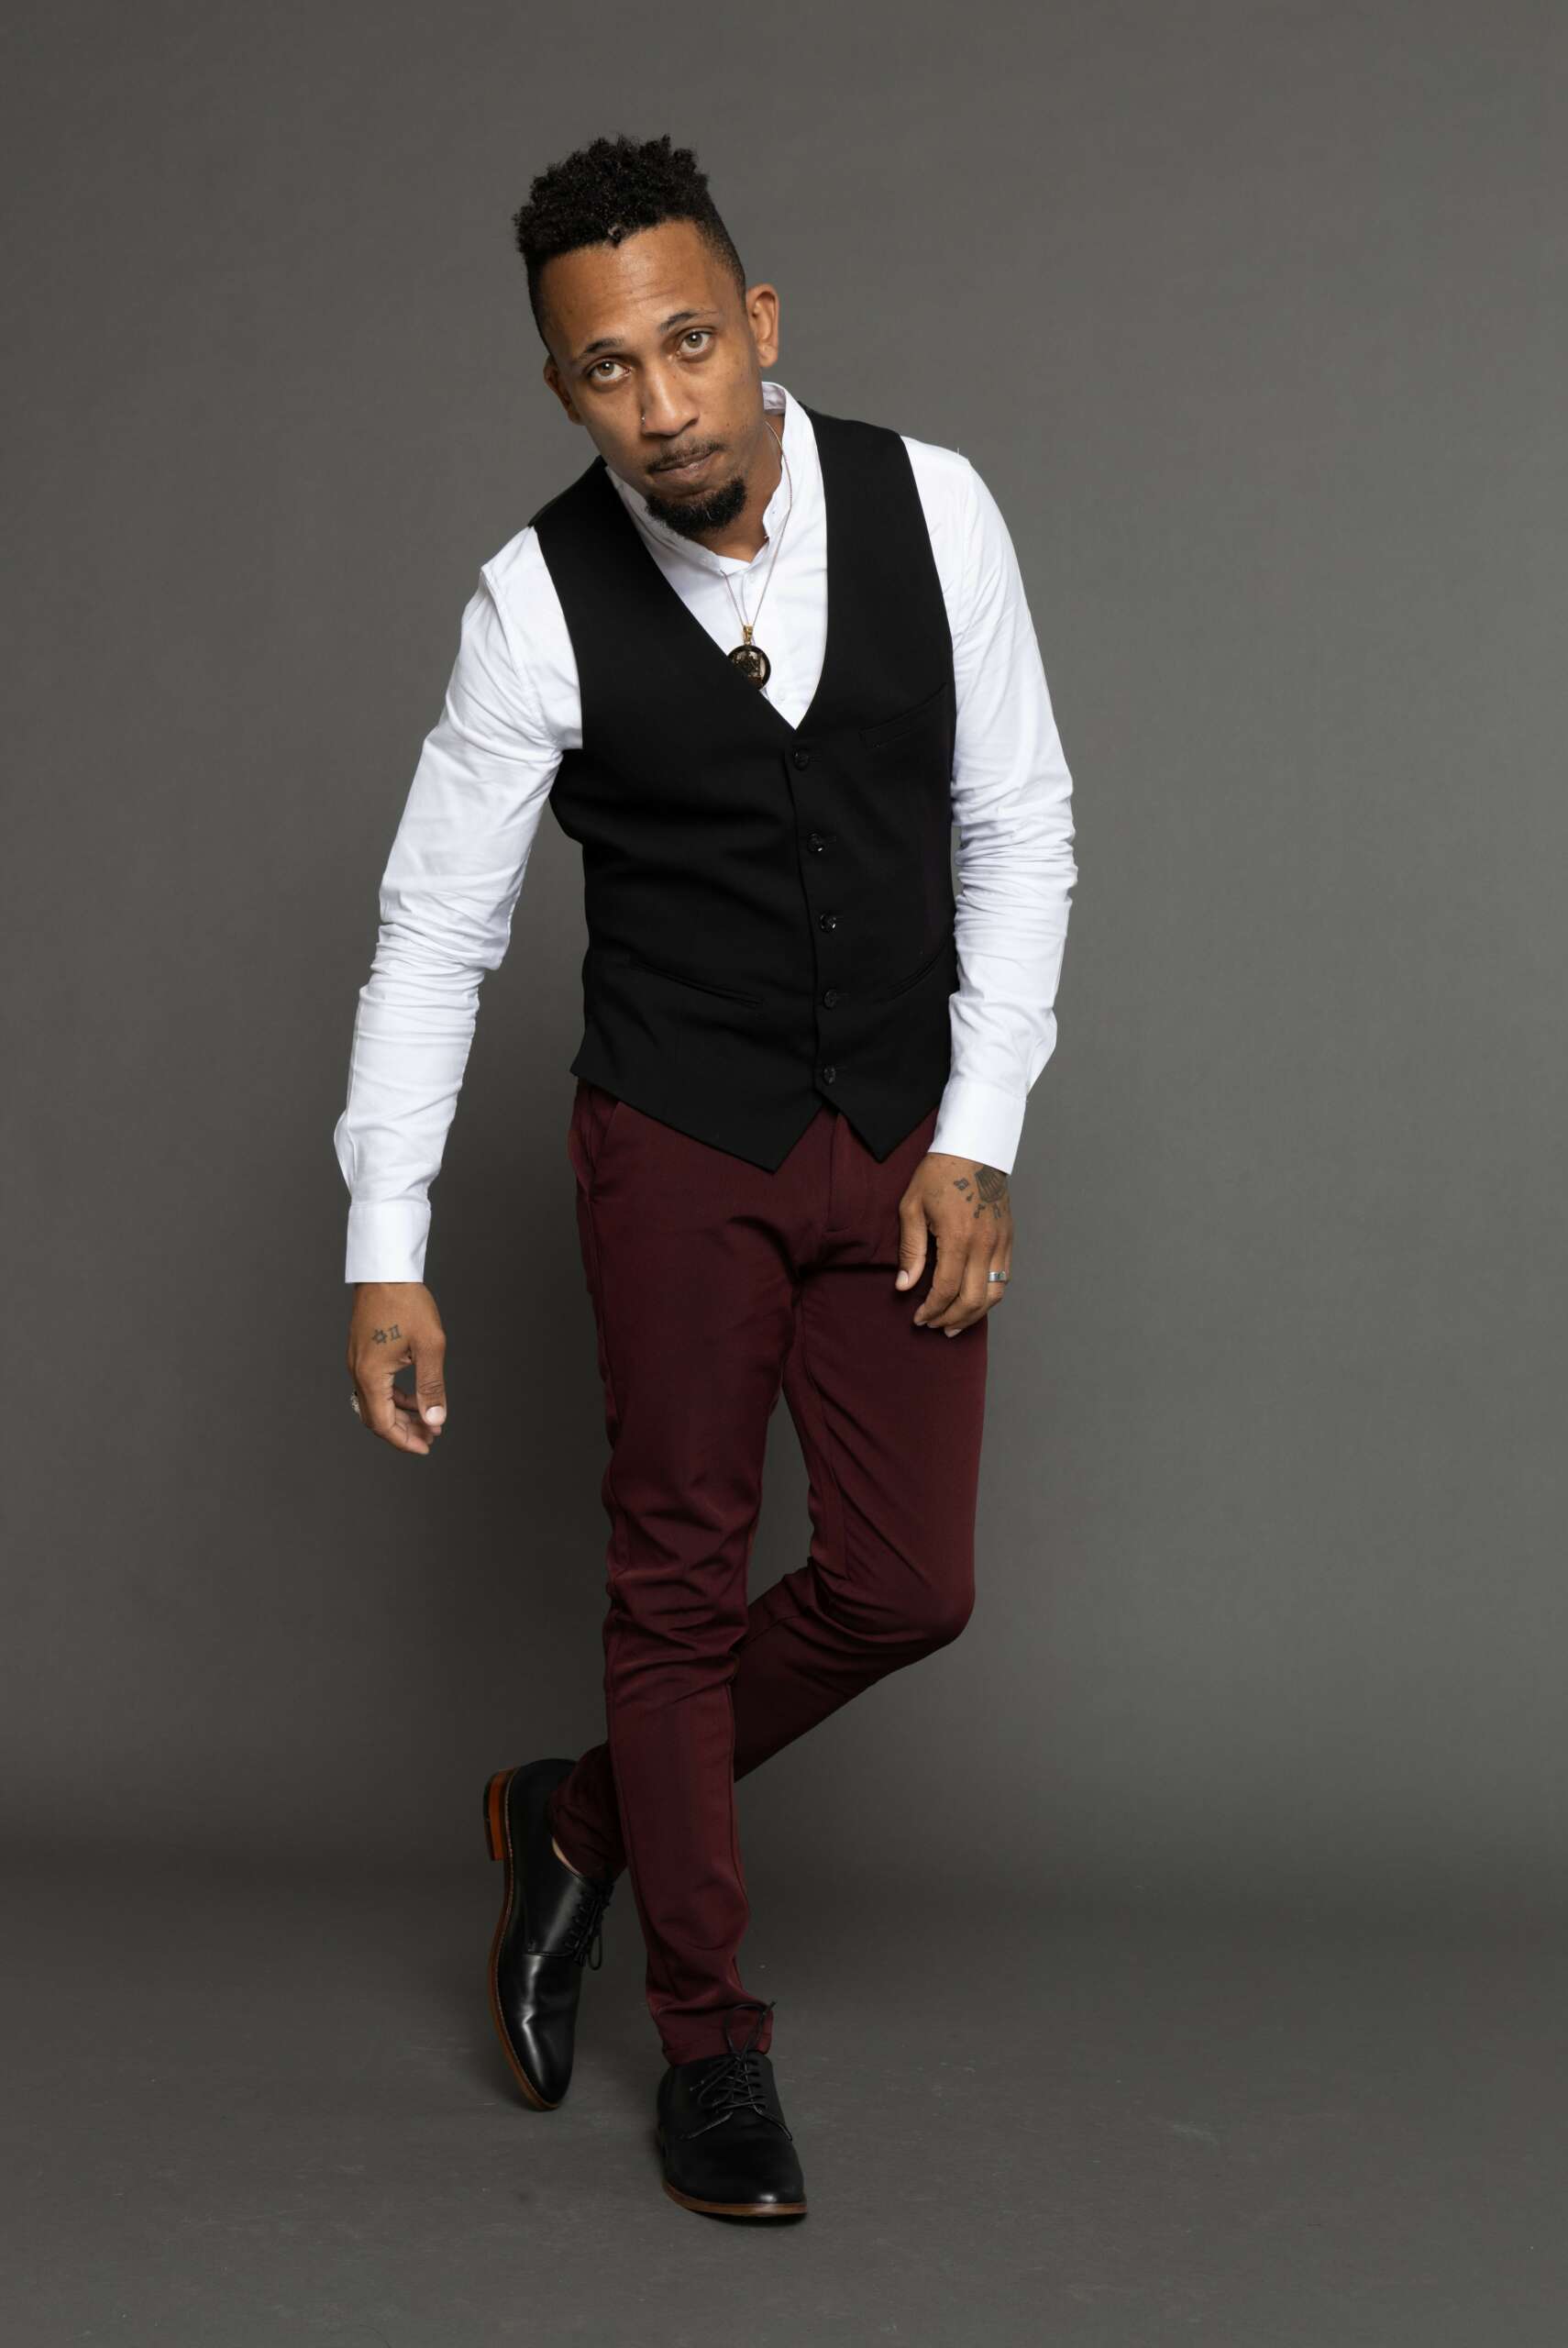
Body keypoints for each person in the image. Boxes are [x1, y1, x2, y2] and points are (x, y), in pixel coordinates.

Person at [334, 130, 1077, 2222]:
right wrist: (386, 1245)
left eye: (685, 344)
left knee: (909, 1584)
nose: (659, 404)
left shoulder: (938, 506)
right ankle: (710, 2043)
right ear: (561, 389)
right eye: (605, 369)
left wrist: (979, 1134)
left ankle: (573, 1816)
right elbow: (435, 931)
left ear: (756, 325)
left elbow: (1018, 822)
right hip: (676, 1142)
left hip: (906, 1135)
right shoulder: (532, 604)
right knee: (671, 1583)